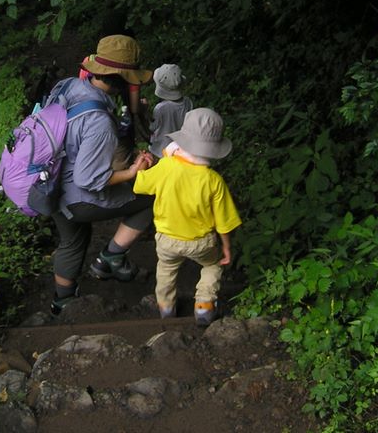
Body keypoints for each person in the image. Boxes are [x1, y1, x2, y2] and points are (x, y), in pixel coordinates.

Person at [50, 35, 156, 315]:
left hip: (52, 186)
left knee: (73, 240)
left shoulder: (72, 87)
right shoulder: (99, 121)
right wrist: (131, 172)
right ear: (123, 80)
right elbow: (89, 179)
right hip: (78, 196)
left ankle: (62, 303)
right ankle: (111, 257)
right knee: (150, 198)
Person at [133, 108, 242, 326]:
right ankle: (204, 308)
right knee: (212, 266)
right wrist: (227, 248)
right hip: (201, 242)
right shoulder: (213, 180)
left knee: (165, 270)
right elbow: (224, 222)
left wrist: (142, 166)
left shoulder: (166, 166)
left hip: (167, 239)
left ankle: (166, 308)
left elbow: (140, 185)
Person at [148, 64, 193, 159]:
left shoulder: (160, 108)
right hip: (179, 149)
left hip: (160, 150)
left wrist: (144, 112)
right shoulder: (188, 102)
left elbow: (152, 127)